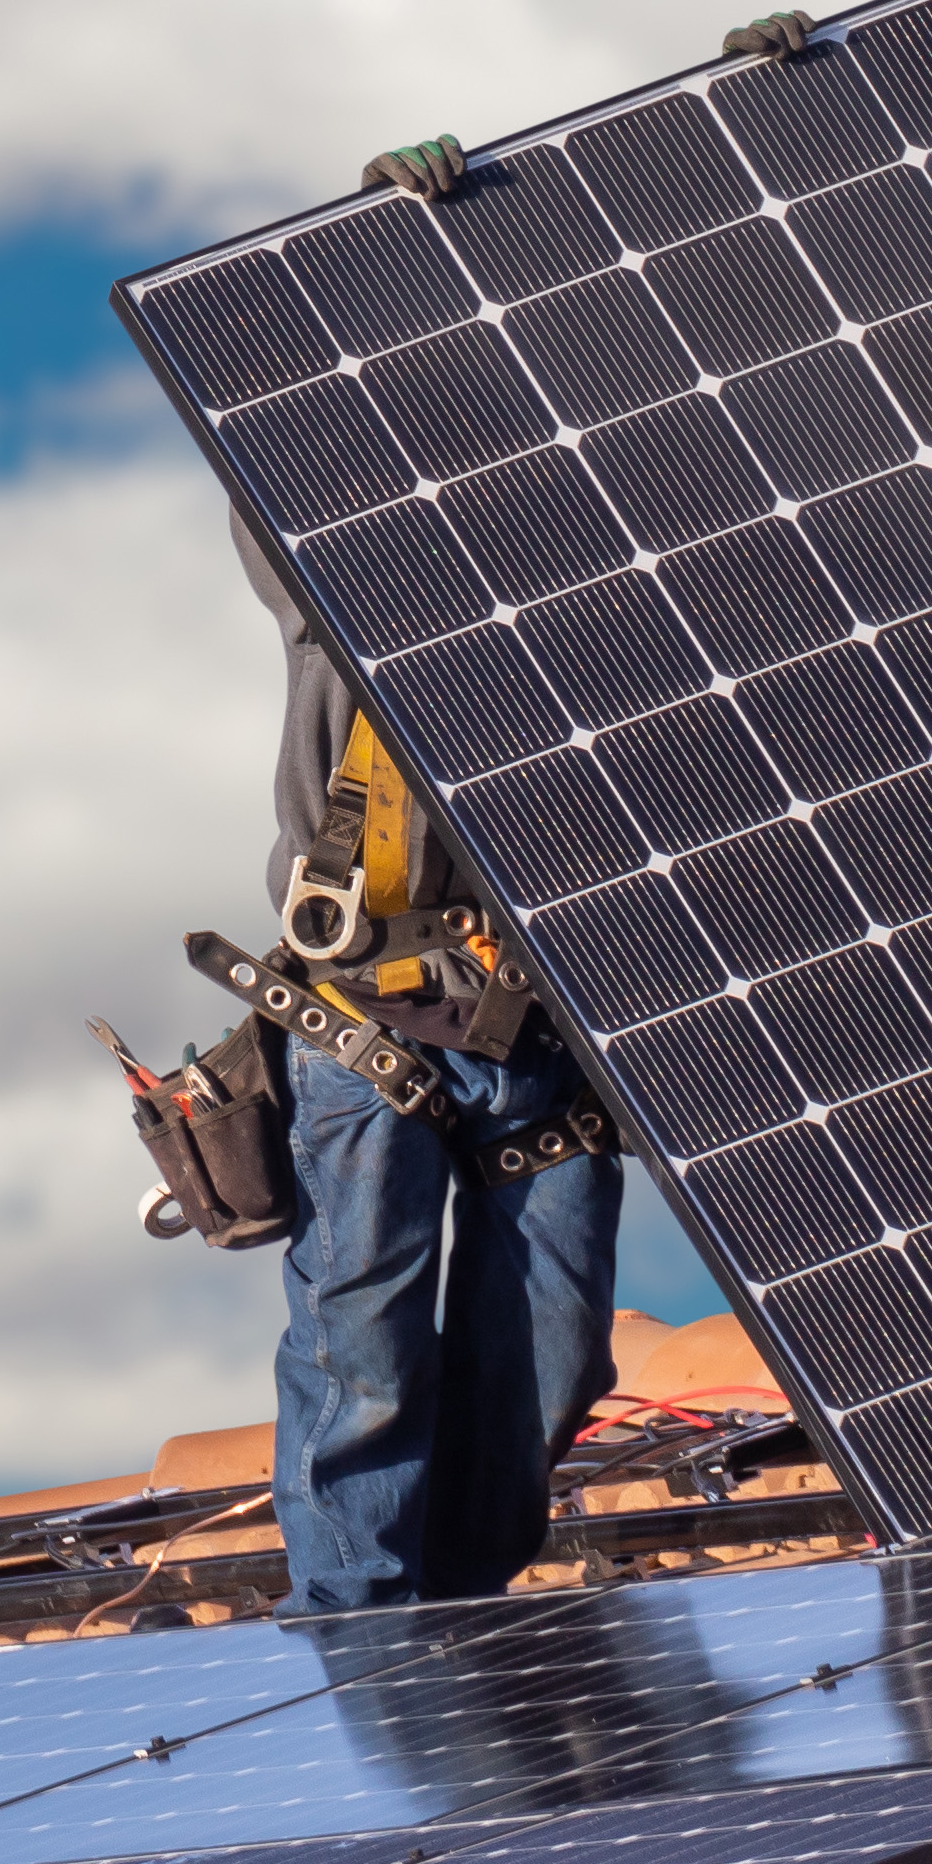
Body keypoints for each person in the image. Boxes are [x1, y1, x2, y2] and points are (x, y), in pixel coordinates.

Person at [243, 517, 624, 1617]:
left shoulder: (597, 604)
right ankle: (358, 1625)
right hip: (374, 1021)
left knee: (555, 1359)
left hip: (544, 1035)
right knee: (364, 1356)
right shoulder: (344, 583)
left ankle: (459, 1612)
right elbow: (286, 499)